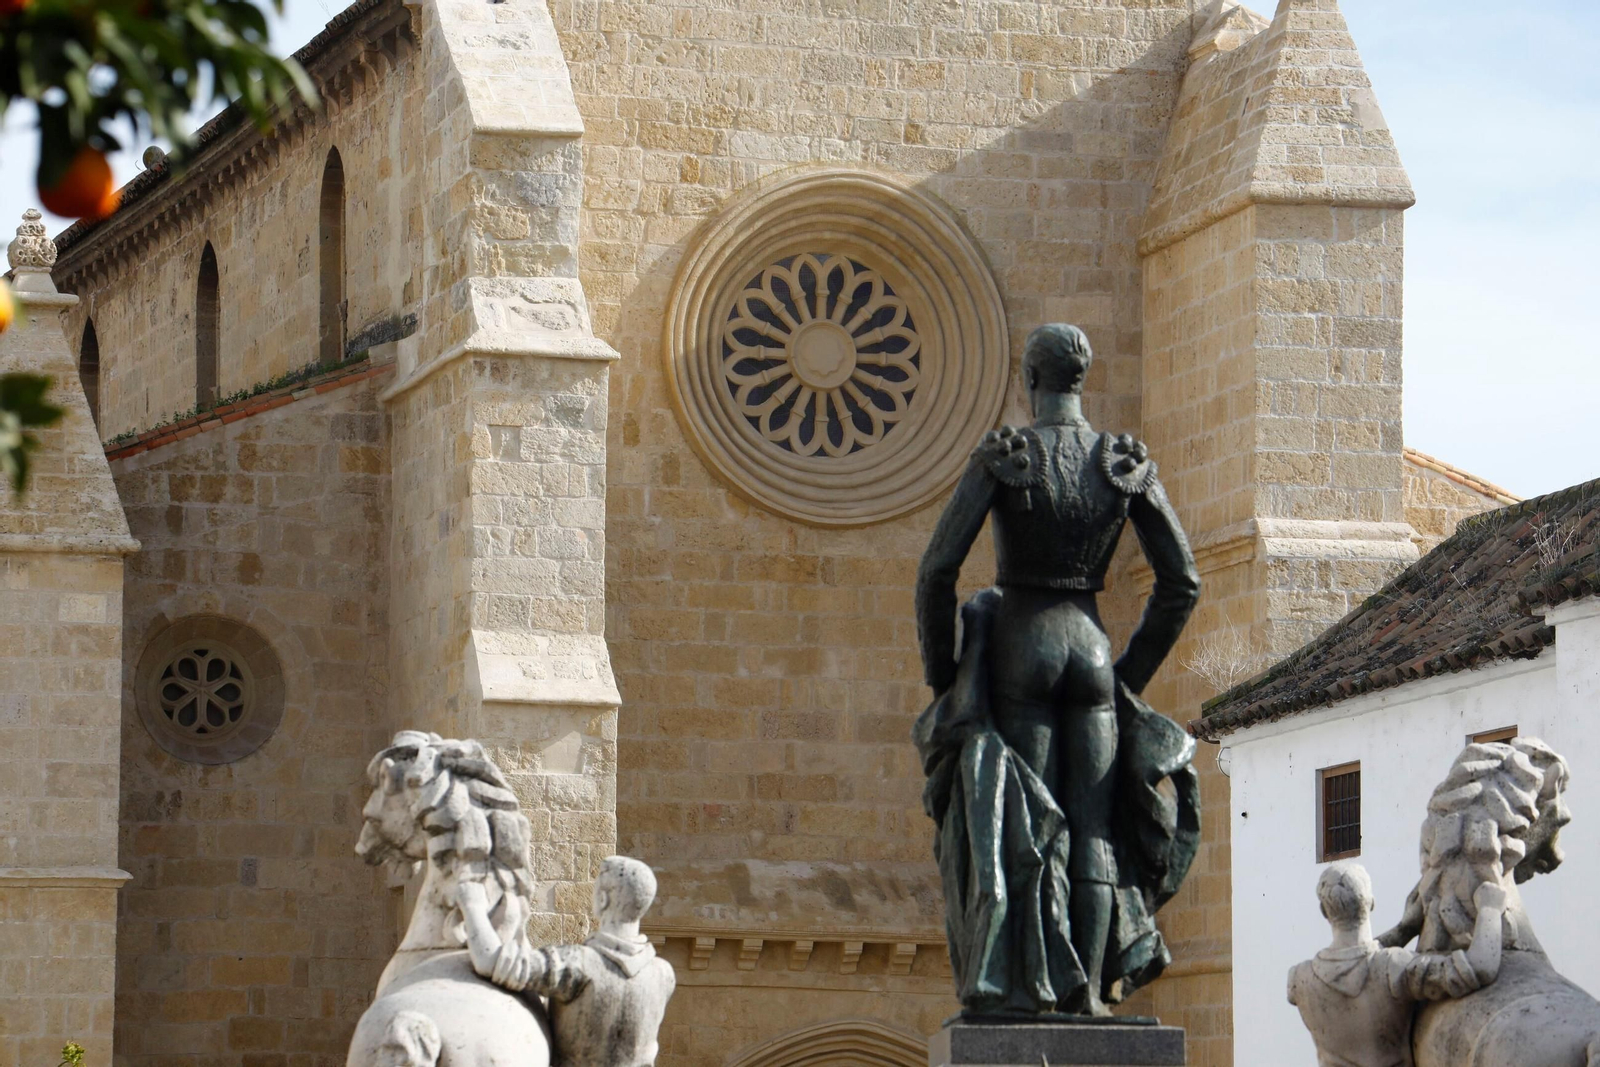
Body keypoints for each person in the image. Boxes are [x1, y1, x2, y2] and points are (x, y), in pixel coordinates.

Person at [914, 323, 1201, 1015]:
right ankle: (1092, 995)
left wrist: (945, 678)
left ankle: (1034, 988)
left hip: (1023, 645)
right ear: (1083, 378)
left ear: (1030, 379)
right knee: (1094, 830)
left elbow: (937, 571)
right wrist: (1126, 675)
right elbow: (1182, 582)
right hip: (1091, 649)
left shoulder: (1006, 458)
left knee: (1029, 821)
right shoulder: (1121, 463)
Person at [456, 856, 676, 1067]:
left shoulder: (576, 964)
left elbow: (489, 961)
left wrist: (472, 906)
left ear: (603, 900)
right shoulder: (664, 974)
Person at [1288, 862, 1508, 1067]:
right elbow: (1480, 967)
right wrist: (1489, 909)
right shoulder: (1394, 966)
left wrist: (1404, 929)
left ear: (1324, 911)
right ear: (1371, 903)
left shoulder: (1298, 979)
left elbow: (1355, 958)